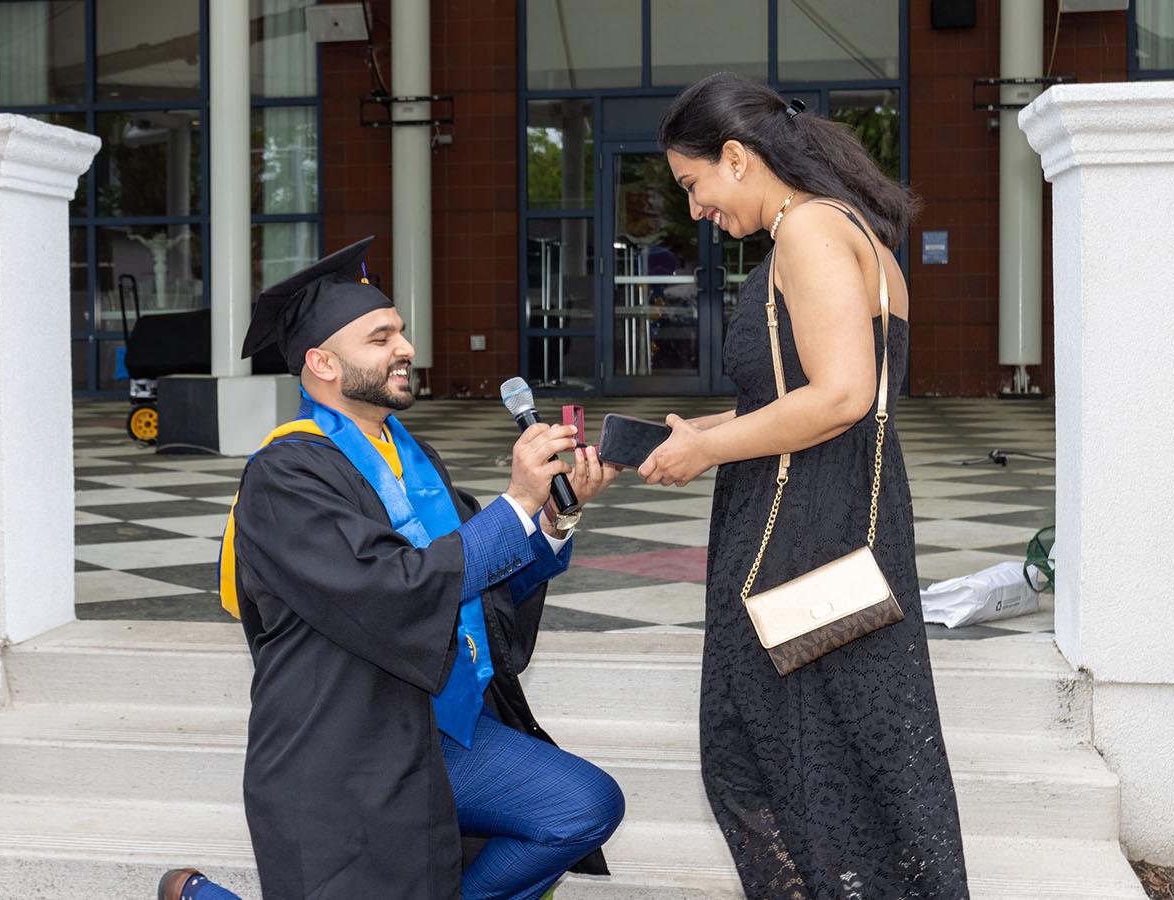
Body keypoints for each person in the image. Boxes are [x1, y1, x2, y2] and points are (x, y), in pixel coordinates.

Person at [161, 237, 625, 900]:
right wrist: (516, 501)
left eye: (401, 333)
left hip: (437, 724)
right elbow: (391, 590)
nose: (406, 349)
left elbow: (478, 577)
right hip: (350, 742)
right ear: (322, 363)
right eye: (381, 338)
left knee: (580, 805)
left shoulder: (412, 457)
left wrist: (551, 519)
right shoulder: (287, 475)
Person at [638, 73, 971, 899]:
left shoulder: (808, 232)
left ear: (738, 158)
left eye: (693, 184)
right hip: (836, 523)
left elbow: (841, 396)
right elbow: (802, 400)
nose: (694, 210)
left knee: (767, 765)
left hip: (801, 541)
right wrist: (698, 436)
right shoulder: (846, 228)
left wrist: (709, 455)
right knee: (846, 770)